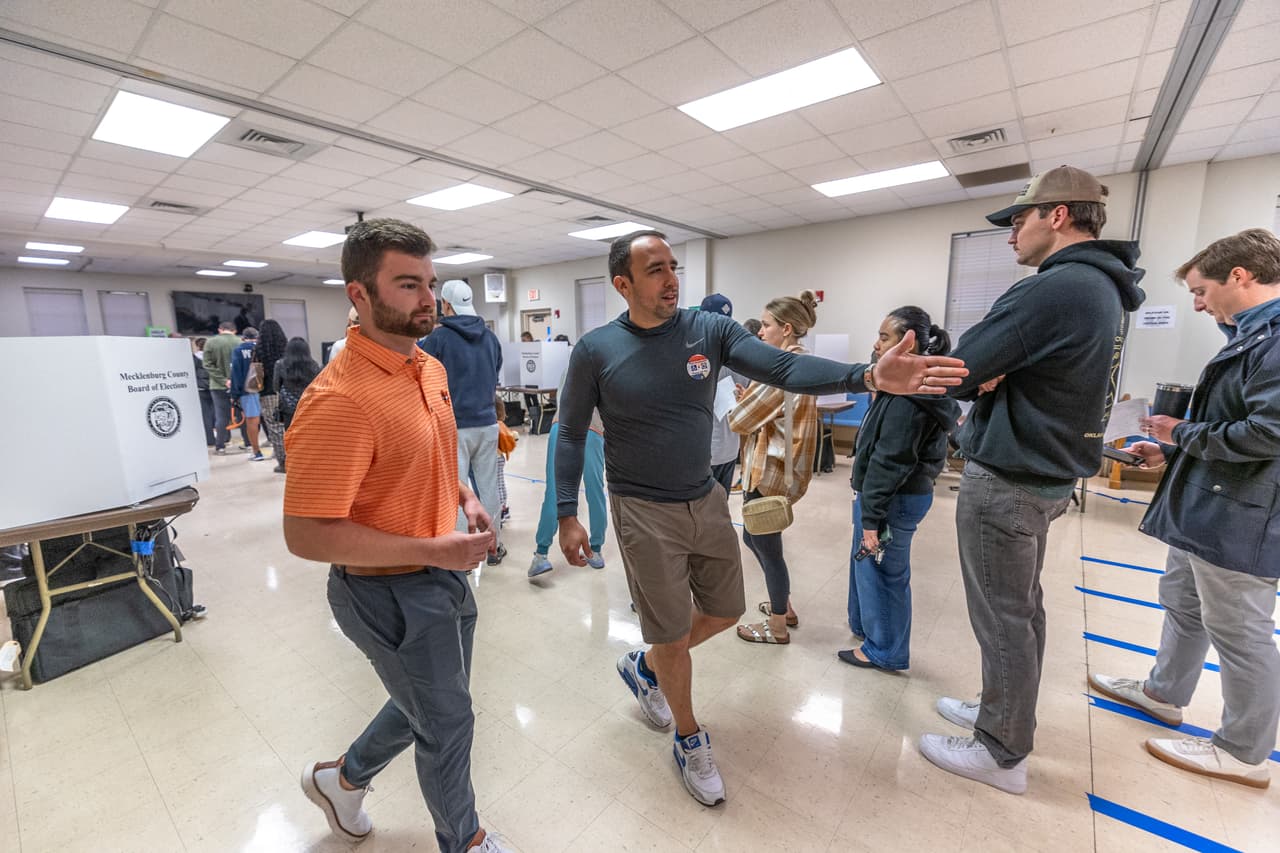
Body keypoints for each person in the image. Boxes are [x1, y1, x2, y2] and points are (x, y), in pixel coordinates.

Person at [554, 230, 967, 806]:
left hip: (703, 498)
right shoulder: (596, 349)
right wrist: (567, 513)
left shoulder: (709, 330)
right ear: (623, 284)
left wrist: (866, 376)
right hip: (641, 507)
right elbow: (571, 432)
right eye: (655, 270)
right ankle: (689, 736)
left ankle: (646, 667)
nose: (671, 278)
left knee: (725, 610)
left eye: (674, 266)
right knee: (671, 632)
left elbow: (784, 369)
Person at [919, 165, 1146, 795]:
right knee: (1020, 612)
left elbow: (959, 368)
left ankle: (1000, 751)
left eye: (1019, 219)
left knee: (1003, 619)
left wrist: (983, 373)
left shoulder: (1055, 288)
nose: (1011, 233)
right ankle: (1003, 713)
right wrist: (994, 372)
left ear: (1059, 215)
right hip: (1046, 475)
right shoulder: (1105, 288)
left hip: (1010, 478)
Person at [284, 218, 509, 853]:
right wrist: (430, 550)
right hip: (385, 593)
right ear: (359, 294)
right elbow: (306, 534)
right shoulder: (338, 400)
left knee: (431, 703)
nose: (427, 299)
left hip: (445, 574)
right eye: (408, 284)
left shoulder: (428, 368)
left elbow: (435, 458)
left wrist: (464, 498)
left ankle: (342, 779)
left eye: (429, 283)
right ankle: (464, 842)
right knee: (447, 718)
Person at [1090, 228, 1280, 789]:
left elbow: (1269, 433)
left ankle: (1243, 749)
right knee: (1183, 601)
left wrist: (1185, 431)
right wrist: (1174, 447)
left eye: (1202, 290)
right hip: (1210, 504)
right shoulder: (1249, 334)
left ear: (1240, 277)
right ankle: (1163, 694)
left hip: (1242, 516)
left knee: (1240, 630)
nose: (1198, 303)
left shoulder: (1274, 339)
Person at [841, 307, 959, 671]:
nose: (876, 345)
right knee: (868, 567)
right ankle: (866, 628)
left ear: (908, 344)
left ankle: (885, 650)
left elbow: (890, 461)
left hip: (894, 498)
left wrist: (873, 516)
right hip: (891, 496)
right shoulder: (903, 387)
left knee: (884, 571)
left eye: (884, 337)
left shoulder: (910, 398)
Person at [729, 292, 822, 645]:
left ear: (785, 329)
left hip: (769, 471)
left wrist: (740, 407)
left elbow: (739, 421)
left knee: (767, 546)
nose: (761, 332)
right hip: (782, 467)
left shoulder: (781, 367)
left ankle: (779, 625)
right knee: (753, 536)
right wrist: (750, 403)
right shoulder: (802, 362)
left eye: (766, 326)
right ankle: (784, 604)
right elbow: (769, 413)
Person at [420, 280, 507, 566]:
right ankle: (494, 546)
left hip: (453, 427)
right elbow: (495, 373)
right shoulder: (491, 338)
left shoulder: (437, 339)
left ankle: (461, 552)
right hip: (487, 423)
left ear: (445, 305)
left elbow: (421, 375)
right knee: (489, 487)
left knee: (455, 489)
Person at [529, 373, 606, 579]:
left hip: (561, 426)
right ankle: (595, 549)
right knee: (595, 490)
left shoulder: (570, 365)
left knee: (554, 491)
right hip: (591, 429)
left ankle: (540, 554)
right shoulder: (606, 360)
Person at [701, 294, 743, 494]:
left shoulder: (698, 357)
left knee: (707, 514)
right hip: (724, 448)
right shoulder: (739, 357)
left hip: (714, 450)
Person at [273, 336, 321, 473]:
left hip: (288, 407)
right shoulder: (314, 365)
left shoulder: (280, 364)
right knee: (309, 436)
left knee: (290, 437)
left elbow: (276, 386)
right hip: (308, 405)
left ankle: (292, 465)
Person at [254, 319, 289, 468]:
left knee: (275, 428)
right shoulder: (286, 349)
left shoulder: (259, 351)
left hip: (268, 393)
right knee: (290, 426)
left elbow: (256, 377)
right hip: (288, 392)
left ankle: (283, 462)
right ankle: (296, 459)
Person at [203, 320, 240, 455]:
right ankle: (248, 444)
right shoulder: (240, 342)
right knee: (242, 414)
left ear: (220, 330)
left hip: (217, 386)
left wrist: (223, 380)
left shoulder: (210, 342)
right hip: (238, 386)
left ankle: (220, 446)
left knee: (221, 416)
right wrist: (233, 381)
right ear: (234, 330)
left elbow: (207, 365)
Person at [230, 327, 266, 461]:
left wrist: (234, 394)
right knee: (271, 420)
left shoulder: (239, 350)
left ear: (242, 338)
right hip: (266, 389)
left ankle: (256, 451)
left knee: (252, 421)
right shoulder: (263, 349)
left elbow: (236, 373)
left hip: (248, 390)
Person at [193, 336, 215, 448]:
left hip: (201, 389)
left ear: (197, 345)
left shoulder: (193, 358)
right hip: (214, 387)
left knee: (206, 415)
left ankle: (210, 440)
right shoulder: (213, 357)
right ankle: (225, 437)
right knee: (219, 414)